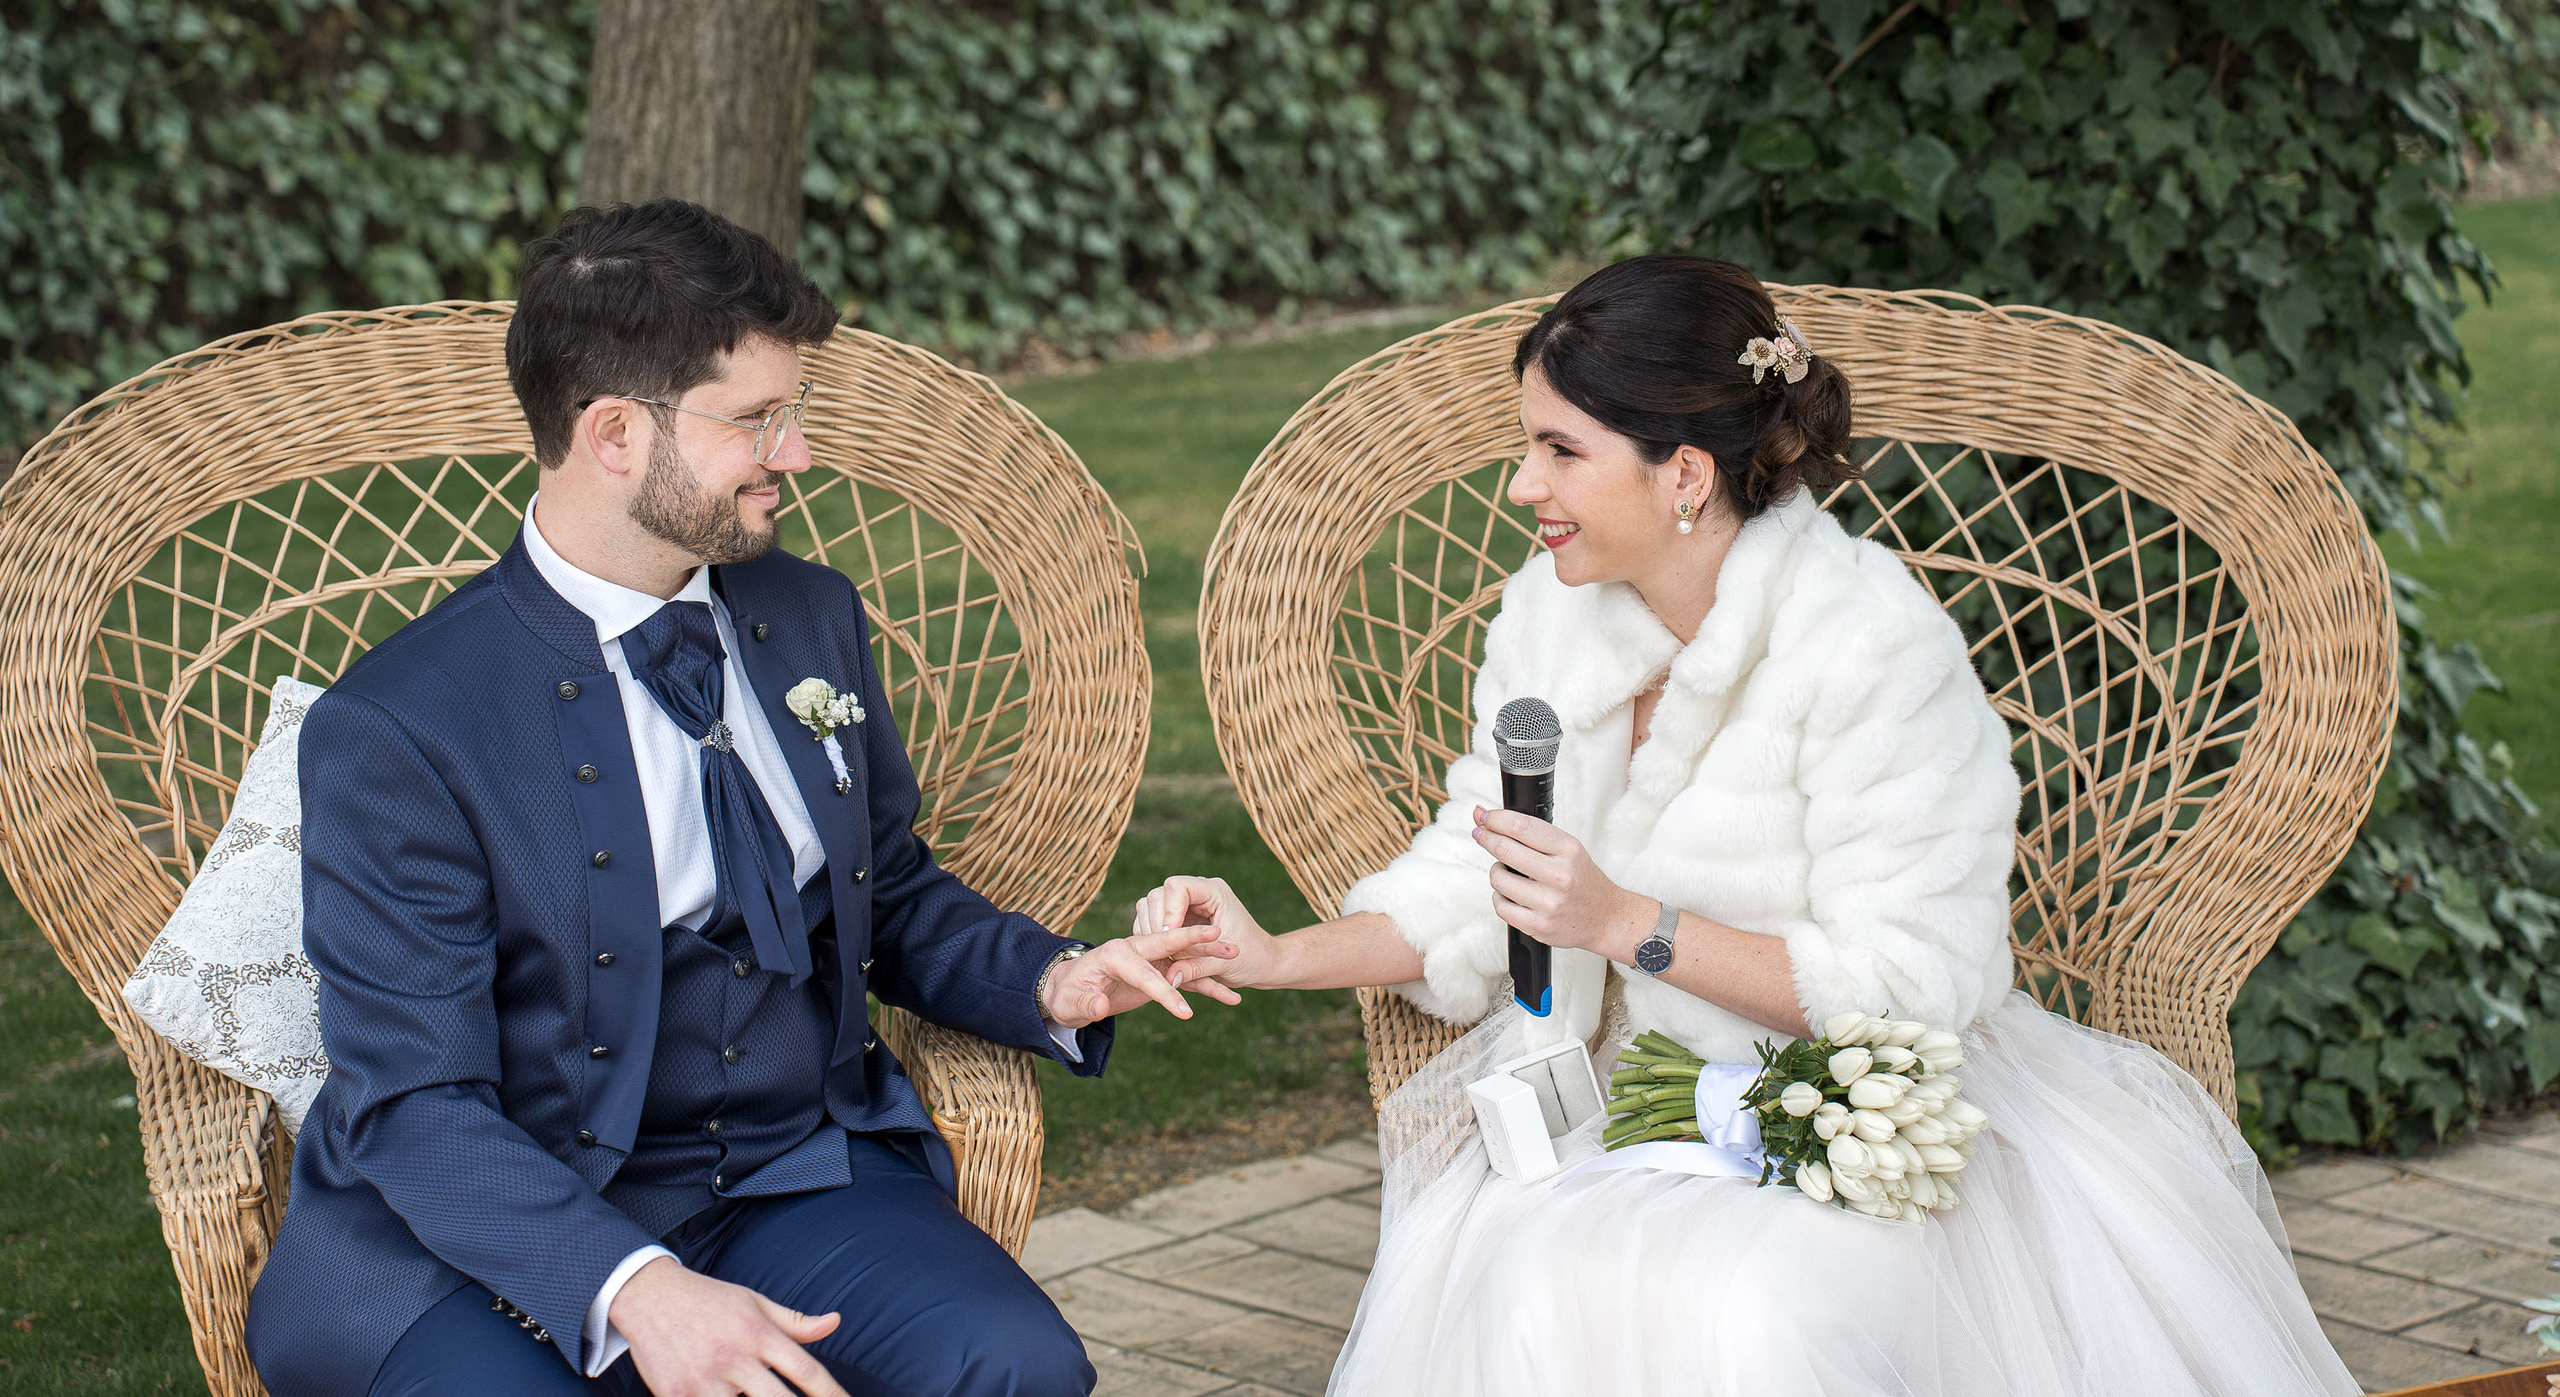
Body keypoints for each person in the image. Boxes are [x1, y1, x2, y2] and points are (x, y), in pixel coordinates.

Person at [1133, 255, 2360, 1396]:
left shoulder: (1867, 646)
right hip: (1614, 1107)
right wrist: (1281, 954)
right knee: (1536, 1289)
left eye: (1560, 451)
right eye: (1527, 447)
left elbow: (1913, 986)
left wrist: (1625, 924)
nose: (1524, 487)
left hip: (1861, 1117)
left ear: (1684, 472)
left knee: (1751, 1316)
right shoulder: (1550, 621)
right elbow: (1480, 868)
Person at [246, 200, 1232, 1397]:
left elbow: (889, 889)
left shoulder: (806, 615)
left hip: (786, 1173)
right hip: (474, 1243)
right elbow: (416, 1104)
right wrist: (636, 1287)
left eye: (794, 412)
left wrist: (1049, 979)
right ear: (615, 434)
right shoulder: (398, 728)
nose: (798, 453)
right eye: (758, 420)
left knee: (1013, 1366)